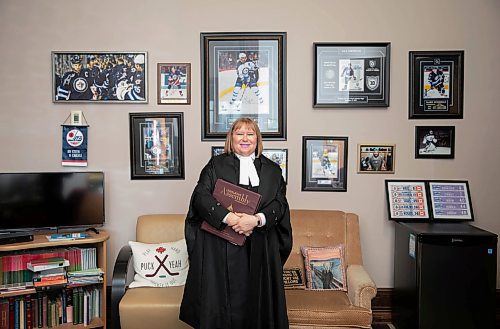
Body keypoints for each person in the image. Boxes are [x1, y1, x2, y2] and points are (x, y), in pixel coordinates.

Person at [180, 118, 292, 329]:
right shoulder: (215, 165)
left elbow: (280, 205)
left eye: (250, 134)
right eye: (239, 133)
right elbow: (201, 197)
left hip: (260, 246)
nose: (245, 138)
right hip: (219, 248)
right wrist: (228, 218)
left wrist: (256, 220)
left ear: (257, 139)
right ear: (231, 139)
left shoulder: (273, 170)